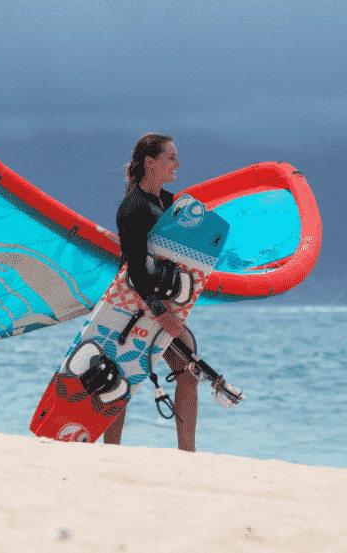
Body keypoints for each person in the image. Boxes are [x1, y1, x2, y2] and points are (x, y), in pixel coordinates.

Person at [103, 133, 200, 452]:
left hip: (162, 301)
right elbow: (134, 268)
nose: (177, 163)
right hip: (135, 303)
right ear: (150, 162)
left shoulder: (170, 204)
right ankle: (110, 451)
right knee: (122, 379)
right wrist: (162, 313)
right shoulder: (133, 207)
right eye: (170, 157)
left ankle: (188, 452)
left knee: (188, 371)